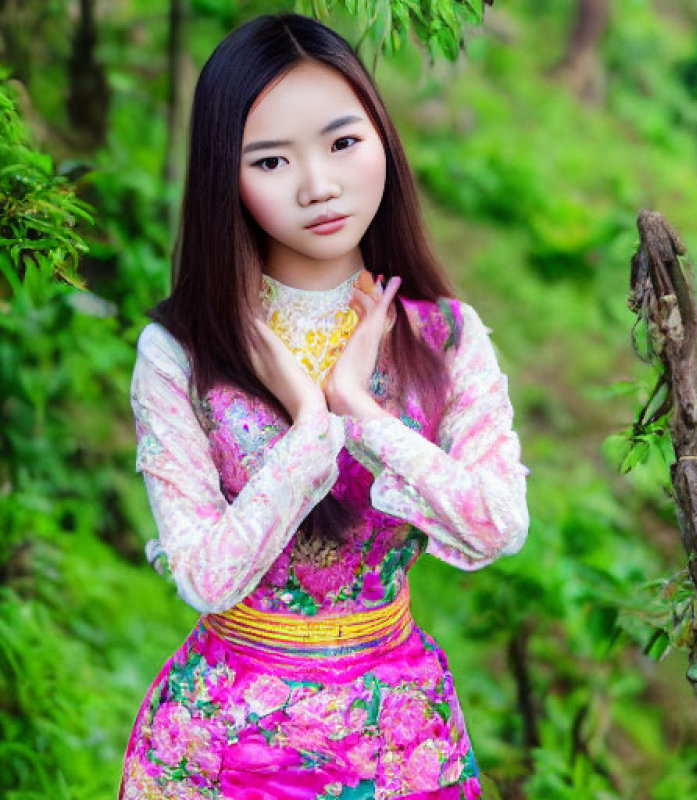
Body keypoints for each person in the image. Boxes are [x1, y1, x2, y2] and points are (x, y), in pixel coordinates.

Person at [118, 13, 529, 800]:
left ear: (382, 139)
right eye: (271, 160)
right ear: (224, 179)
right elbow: (206, 577)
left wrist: (361, 414)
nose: (318, 185)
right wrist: (311, 427)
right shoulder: (177, 352)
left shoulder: (445, 336)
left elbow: (499, 522)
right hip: (222, 750)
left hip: (401, 742)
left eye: (342, 143)